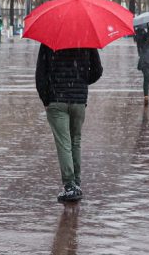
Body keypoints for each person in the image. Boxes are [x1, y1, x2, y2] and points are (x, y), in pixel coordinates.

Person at [35, 45, 103, 203]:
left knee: (64, 143)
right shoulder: (86, 38)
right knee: (75, 141)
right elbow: (97, 70)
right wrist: (82, 81)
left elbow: (40, 74)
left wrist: (46, 98)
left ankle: (70, 185)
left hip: (56, 99)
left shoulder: (49, 40)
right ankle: (76, 182)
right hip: (78, 100)